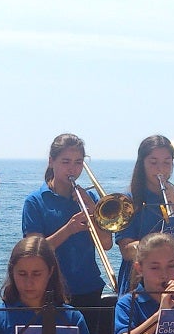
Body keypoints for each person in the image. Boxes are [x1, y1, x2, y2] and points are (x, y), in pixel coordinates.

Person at [20, 133, 113, 310]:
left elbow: (107, 244)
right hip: (50, 289)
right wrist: (69, 229)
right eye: (66, 162)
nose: (72, 169)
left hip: (89, 287)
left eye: (78, 162)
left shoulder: (90, 198)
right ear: (51, 162)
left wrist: (93, 210)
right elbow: (34, 252)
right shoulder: (35, 201)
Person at [115, 135, 174, 295]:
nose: (161, 169)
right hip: (137, 280)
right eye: (153, 162)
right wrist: (156, 246)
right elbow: (126, 250)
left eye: (167, 163)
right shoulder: (128, 199)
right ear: (142, 164)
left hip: (172, 278)